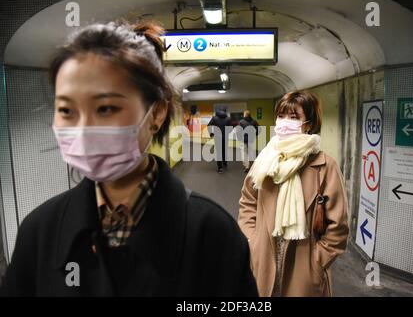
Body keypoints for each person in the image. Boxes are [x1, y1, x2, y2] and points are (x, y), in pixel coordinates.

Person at [0, 21, 257, 297]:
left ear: (156, 113)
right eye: (66, 110)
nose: (83, 128)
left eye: (106, 108)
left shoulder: (213, 233)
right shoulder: (38, 231)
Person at [238, 91, 349, 297]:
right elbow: (248, 202)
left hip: (304, 268)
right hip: (264, 259)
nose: (284, 122)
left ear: (309, 124)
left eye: (294, 117)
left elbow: (338, 227)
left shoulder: (325, 166)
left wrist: (317, 260)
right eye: (281, 116)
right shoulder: (265, 160)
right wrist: (252, 241)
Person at [207, 107, 232, 173]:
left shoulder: (214, 118)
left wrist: (211, 133)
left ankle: (220, 168)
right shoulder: (228, 118)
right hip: (225, 137)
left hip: (217, 137)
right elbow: (231, 128)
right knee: (224, 151)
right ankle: (225, 163)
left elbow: (209, 125)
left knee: (218, 152)